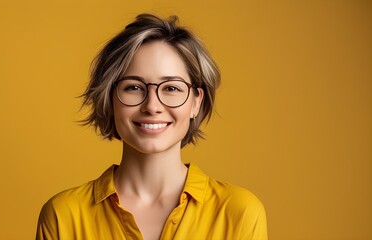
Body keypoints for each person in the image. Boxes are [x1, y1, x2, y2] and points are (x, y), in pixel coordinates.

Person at [36, 13, 268, 240]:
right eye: (134, 87)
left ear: (196, 102)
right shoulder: (63, 215)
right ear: (110, 99)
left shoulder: (239, 212)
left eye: (172, 88)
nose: (152, 105)